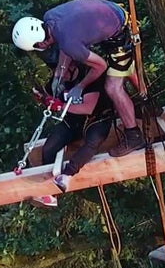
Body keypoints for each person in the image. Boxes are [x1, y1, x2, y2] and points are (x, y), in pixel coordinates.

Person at [11, 0, 144, 157]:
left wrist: (79, 87)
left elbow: (100, 66)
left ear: (40, 43)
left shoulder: (69, 43)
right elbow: (65, 47)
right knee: (123, 67)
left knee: (113, 87)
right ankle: (146, 101)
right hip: (110, 14)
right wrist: (58, 76)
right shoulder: (50, 17)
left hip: (120, 30)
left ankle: (133, 135)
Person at [32, 57, 114, 208]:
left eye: (63, 70)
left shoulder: (89, 76)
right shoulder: (58, 81)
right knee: (50, 146)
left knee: (92, 143)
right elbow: (51, 99)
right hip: (73, 121)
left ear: (73, 66)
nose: (60, 74)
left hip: (96, 118)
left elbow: (87, 107)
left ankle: (68, 174)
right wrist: (44, 98)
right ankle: (50, 194)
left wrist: (60, 106)